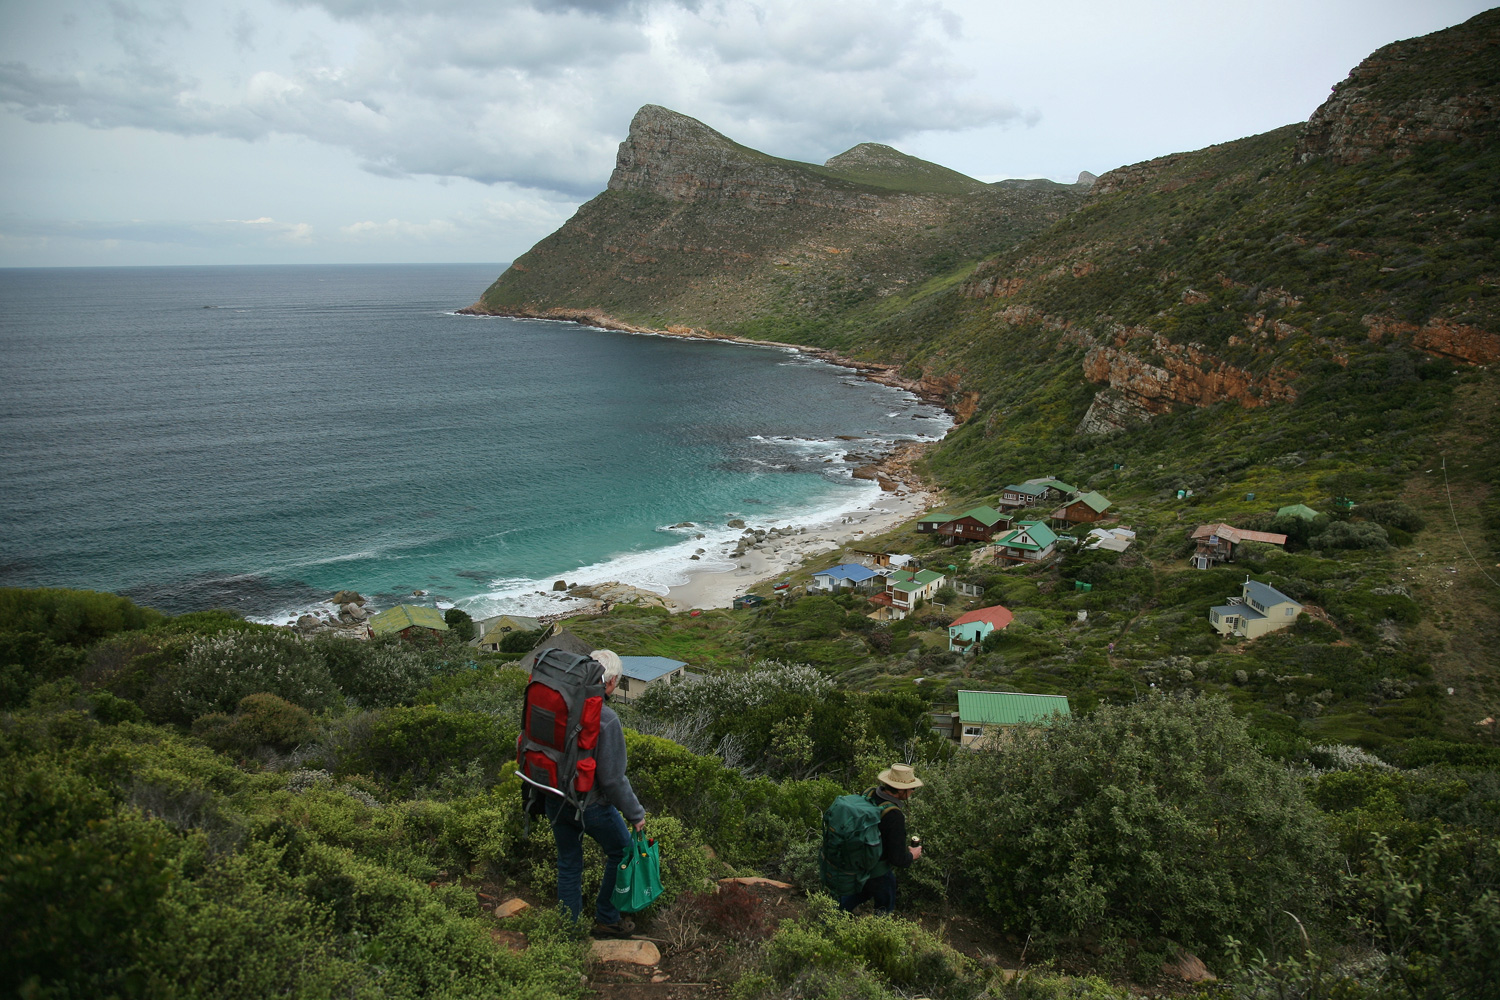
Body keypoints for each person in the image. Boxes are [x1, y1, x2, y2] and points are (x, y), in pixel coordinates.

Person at [544, 648, 646, 938]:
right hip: (591, 806)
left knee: (568, 862)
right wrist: (635, 814)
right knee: (622, 850)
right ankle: (606, 917)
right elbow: (613, 780)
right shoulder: (607, 718)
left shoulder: (559, 703)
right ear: (611, 682)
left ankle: (569, 928)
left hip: (555, 797)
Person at [838, 762, 923, 915]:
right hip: (878, 870)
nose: (913, 792)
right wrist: (912, 855)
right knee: (885, 905)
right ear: (901, 791)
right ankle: (880, 935)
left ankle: (829, 922)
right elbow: (897, 858)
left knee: (854, 896)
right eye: (912, 788)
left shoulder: (870, 793)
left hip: (857, 862)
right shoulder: (894, 815)